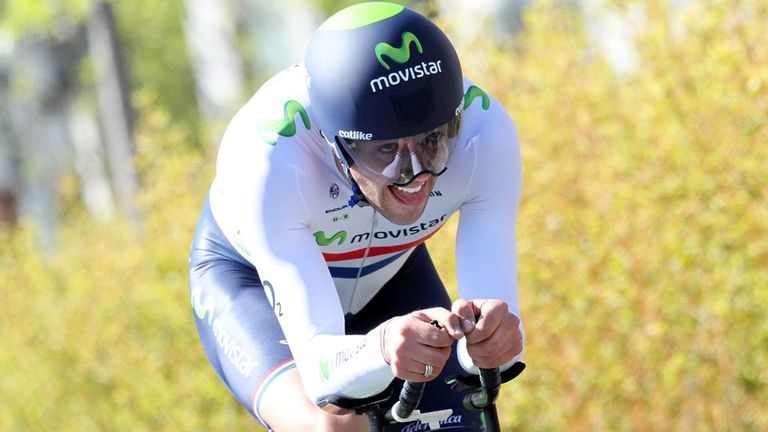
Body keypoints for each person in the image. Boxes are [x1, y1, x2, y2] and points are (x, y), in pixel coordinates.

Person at [189, 2, 524, 431]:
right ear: (334, 143)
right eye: (385, 150)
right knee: (330, 427)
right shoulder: (269, 161)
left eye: (432, 141)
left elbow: (502, 347)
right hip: (248, 279)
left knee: (459, 419)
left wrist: (489, 339)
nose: (413, 174)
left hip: (389, 273)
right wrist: (382, 349)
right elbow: (324, 379)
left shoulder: (484, 133)